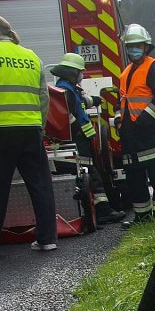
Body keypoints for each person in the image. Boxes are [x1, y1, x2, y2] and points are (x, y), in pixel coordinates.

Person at [0, 15, 57, 256]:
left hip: (0, 130)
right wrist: (40, 126)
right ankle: (47, 238)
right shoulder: (31, 56)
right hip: (30, 128)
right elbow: (43, 96)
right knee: (40, 186)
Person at [49, 52, 125, 224]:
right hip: (76, 141)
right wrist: (76, 129)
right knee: (91, 175)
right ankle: (103, 212)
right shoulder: (64, 91)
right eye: (79, 72)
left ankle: (99, 211)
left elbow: (81, 102)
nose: (81, 75)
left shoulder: (70, 89)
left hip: (82, 140)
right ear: (71, 72)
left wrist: (95, 100)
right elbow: (66, 114)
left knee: (91, 173)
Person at [118, 23, 155, 227]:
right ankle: (142, 217)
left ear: (146, 47)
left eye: (138, 45)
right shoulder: (126, 72)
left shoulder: (154, 67)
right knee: (134, 178)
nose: (134, 49)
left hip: (153, 134)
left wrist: (144, 120)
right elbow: (126, 101)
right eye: (130, 46)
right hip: (132, 136)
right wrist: (121, 122)